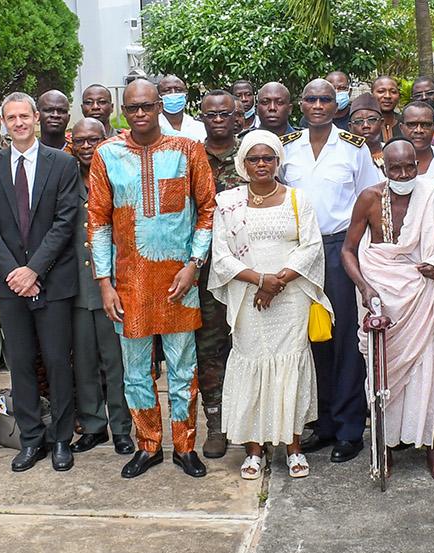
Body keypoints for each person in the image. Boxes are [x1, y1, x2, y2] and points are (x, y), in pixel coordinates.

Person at [86, 79, 220, 479]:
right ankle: (148, 445)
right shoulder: (107, 155)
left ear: (160, 105)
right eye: (132, 108)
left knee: (183, 367)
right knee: (136, 370)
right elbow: (97, 221)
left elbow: (207, 211)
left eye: (147, 106)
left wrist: (194, 264)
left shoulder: (188, 150)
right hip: (129, 283)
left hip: (180, 281)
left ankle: (184, 446)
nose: (140, 114)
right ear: (122, 111)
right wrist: (105, 282)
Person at [345, 140, 434, 479]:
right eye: (396, 169)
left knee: (428, 373)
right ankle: (385, 449)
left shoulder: (431, 195)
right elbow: (348, 250)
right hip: (382, 297)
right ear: (384, 169)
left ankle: (432, 450)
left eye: (410, 167)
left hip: (422, 293)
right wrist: (365, 287)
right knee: (382, 376)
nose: (404, 174)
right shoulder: (369, 199)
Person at [208, 130, 332, 480]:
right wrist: (260, 281)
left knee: (289, 368)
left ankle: (292, 447)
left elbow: (311, 247)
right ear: (242, 164)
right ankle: (254, 450)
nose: (261, 164)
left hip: (290, 298)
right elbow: (221, 256)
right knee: (252, 365)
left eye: (268, 158)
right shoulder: (228, 203)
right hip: (248, 298)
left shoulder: (297, 199)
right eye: (253, 159)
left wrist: (277, 281)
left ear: (278, 161)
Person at [0, 93, 85, 473]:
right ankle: (30, 439)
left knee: (57, 361)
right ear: (4, 122)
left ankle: (60, 439)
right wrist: (16, 274)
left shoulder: (62, 164)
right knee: (20, 363)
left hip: (52, 280)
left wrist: (34, 270)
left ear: (36, 118)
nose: (19, 123)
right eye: (12, 117)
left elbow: (65, 221)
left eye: (25, 116)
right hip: (11, 285)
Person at [283, 78, 385, 463]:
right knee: (309, 338)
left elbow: (371, 200)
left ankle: (347, 428)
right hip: (297, 252)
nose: (319, 105)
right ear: (301, 105)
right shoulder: (288, 148)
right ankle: (321, 422)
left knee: (344, 339)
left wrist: (367, 258)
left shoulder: (353, 148)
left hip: (339, 248)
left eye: (326, 99)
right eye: (311, 99)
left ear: (336, 104)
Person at [64, 118, 135, 456]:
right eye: (80, 140)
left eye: (94, 139)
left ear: (106, 139)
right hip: (78, 285)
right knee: (85, 362)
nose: (87, 146)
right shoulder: (65, 178)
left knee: (116, 362)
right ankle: (93, 426)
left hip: (116, 285)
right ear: (71, 142)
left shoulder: (119, 174)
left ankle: (122, 428)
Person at [197, 90, 246, 458]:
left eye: (224, 114)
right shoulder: (189, 157)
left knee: (249, 344)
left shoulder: (252, 154)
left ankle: (247, 422)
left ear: (237, 117)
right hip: (204, 270)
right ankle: (216, 425)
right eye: (210, 114)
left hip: (247, 269)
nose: (217, 119)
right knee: (210, 348)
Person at [158, 74, 207, 140]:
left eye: (178, 90)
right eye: (167, 90)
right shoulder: (152, 127)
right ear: (158, 97)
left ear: (186, 96)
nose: (173, 93)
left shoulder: (200, 127)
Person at [348, 94, 387, 161]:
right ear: (350, 127)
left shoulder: (392, 152)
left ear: (382, 123)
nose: (366, 126)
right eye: (358, 121)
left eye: (372, 120)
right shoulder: (344, 156)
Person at [370, 76, 403, 141]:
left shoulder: (406, 124)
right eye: (381, 91)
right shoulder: (364, 125)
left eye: (393, 92)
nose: (387, 96)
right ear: (372, 95)